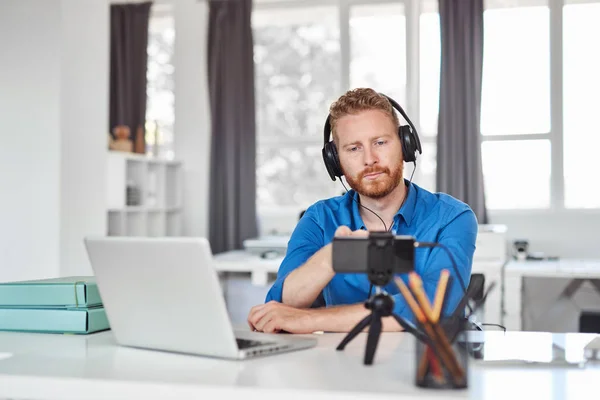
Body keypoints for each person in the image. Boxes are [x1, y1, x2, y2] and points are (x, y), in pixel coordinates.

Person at [247, 88, 478, 334]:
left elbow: (435, 307)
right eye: (354, 148)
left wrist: (310, 320)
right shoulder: (319, 219)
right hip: (343, 365)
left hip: (427, 365)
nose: (370, 159)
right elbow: (282, 305)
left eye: (380, 142)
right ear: (335, 160)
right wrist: (332, 257)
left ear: (404, 145)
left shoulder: (452, 217)